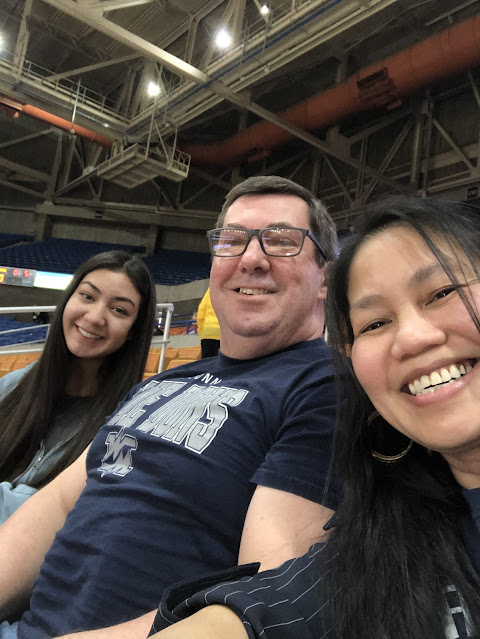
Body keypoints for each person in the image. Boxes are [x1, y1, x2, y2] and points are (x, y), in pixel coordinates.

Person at [0, 175, 339, 639]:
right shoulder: (160, 383)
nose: (251, 258)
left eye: (281, 241)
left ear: (325, 279)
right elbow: (59, 503)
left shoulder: (325, 387)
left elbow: (258, 600)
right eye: (232, 241)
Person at [149, 195, 480, 639]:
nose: (413, 338)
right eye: (374, 323)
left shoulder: (315, 388)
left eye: (442, 293)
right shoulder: (386, 544)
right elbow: (268, 609)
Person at [0, 250, 156, 522]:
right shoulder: (11, 386)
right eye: (87, 296)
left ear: (133, 331)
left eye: (119, 310)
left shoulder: (132, 427)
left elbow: (87, 519)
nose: (95, 317)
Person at [196, 288, 220, 358]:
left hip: (207, 333)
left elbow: (201, 312)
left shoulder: (210, 290)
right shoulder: (232, 290)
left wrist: (201, 330)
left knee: (206, 362)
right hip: (224, 334)